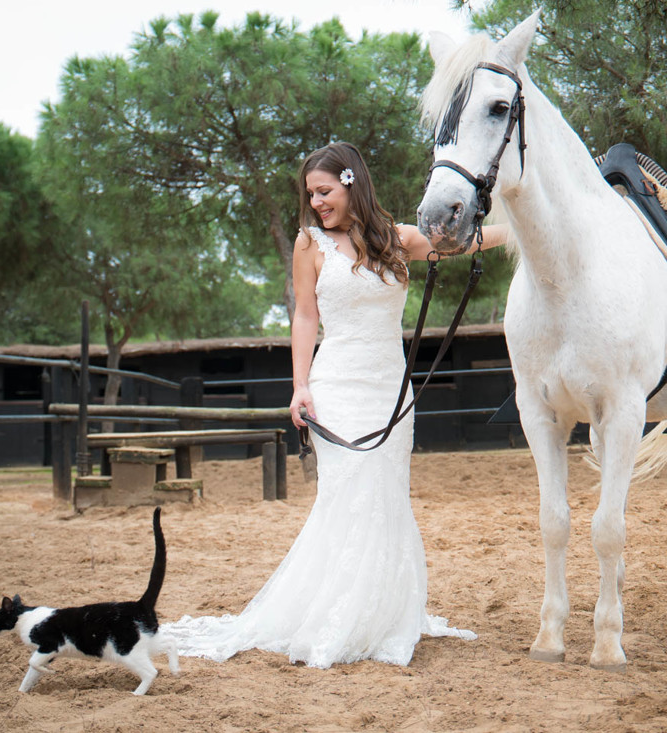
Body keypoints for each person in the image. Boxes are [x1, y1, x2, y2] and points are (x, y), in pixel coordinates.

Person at [164, 142, 507, 668]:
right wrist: (300, 386)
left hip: (391, 391)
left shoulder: (396, 240)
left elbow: (473, 242)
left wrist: (528, 224)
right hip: (339, 386)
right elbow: (305, 316)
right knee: (350, 494)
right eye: (311, 195)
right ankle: (337, 615)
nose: (317, 203)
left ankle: (383, 616)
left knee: (387, 496)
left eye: (324, 192)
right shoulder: (309, 244)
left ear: (351, 183)